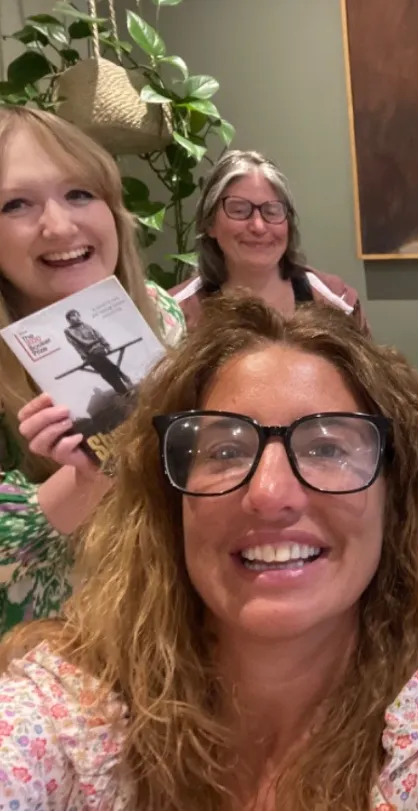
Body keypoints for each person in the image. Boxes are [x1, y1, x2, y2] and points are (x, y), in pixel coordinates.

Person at [0, 296, 418, 809]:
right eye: (223, 450)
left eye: (325, 448)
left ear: (398, 504)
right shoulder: (74, 719)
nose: (269, 494)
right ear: (170, 506)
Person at [0, 106, 185, 632]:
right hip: (54, 656)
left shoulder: (160, 316)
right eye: (16, 204)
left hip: (173, 616)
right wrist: (82, 480)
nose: (59, 226)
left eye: (79, 193)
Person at [170, 149, 369, 333]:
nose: (258, 226)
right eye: (239, 210)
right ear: (210, 223)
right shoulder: (174, 316)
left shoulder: (338, 302)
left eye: (271, 211)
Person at [63, 309, 133, 394]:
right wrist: (84, 357)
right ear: (69, 320)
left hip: (98, 349)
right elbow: (76, 345)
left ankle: (123, 387)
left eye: (77, 315)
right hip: (89, 354)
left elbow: (98, 334)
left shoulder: (86, 325)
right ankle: (124, 386)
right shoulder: (69, 331)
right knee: (106, 372)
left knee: (106, 369)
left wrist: (107, 345)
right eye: (73, 316)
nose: (76, 317)